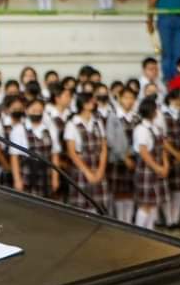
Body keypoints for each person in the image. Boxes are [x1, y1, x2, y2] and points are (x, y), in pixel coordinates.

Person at [64, 92, 110, 213]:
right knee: (83, 208)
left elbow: (104, 148)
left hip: (97, 166)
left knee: (100, 207)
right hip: (81, 169)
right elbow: (72, 152)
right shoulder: (72, 123)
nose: (93, 103)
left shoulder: (97, 122)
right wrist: (87, 173)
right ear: (82, 103)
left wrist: (101, 170)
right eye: (90, 101)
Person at [132, 99, 169, 230]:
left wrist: (165, 165)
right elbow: (143, 152)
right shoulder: (141, 129)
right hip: (147, 170)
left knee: (154, 204)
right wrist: (158, 168)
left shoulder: (156, 128)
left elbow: (162, 148)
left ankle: (150, 231)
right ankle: (138, 233)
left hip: (157, 168)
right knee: (145, 205)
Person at [105, 87, 139, 223]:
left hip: (134, 159)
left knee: (130, 193)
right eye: (126, 97)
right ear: (119, 99)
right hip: (118, 161)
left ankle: (129, 221)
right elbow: (111, 140)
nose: (129, 101)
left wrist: (132, 155)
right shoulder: (113, 117)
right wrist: (124, 157)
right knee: (119, 194)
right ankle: (120, 222)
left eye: (131, 98)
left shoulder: (137, 117)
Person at [159, 88, 180, 229]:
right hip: (167, 156)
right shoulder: (162, 115)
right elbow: (161, 139)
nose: (179, 101)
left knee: (179, 189)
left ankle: (176, 219)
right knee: (167, 188)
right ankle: (168, 219)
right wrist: (176, 154)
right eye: (176, 98)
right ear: (169, 98)